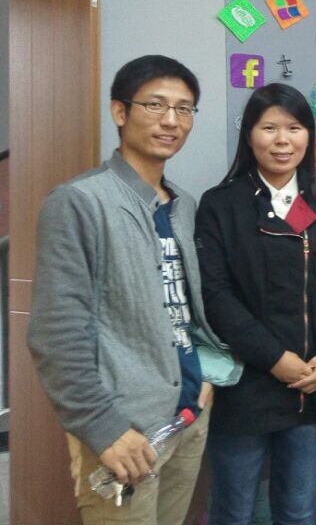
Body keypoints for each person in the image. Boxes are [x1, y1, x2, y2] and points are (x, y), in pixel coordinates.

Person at [28, 55, 223, 524]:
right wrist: (102, 427)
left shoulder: (183, 204)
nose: (171, 120)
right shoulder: (79, 202)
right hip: (124, 429)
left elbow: (186, 307)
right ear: (120, 111)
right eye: (155, 105)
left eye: (184, 108)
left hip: (187, 414)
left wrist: (208, 375)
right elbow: (56, 333)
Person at [195, 83, 316, 525]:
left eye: (294, 128)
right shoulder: (221, 205)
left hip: (314, 385)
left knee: (299, 510)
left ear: (309, 136)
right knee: (233, 512)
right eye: (269, 128)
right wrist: (276, 359)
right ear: (249, 135)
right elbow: (216, 297)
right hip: (247, 387)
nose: (283, 140)